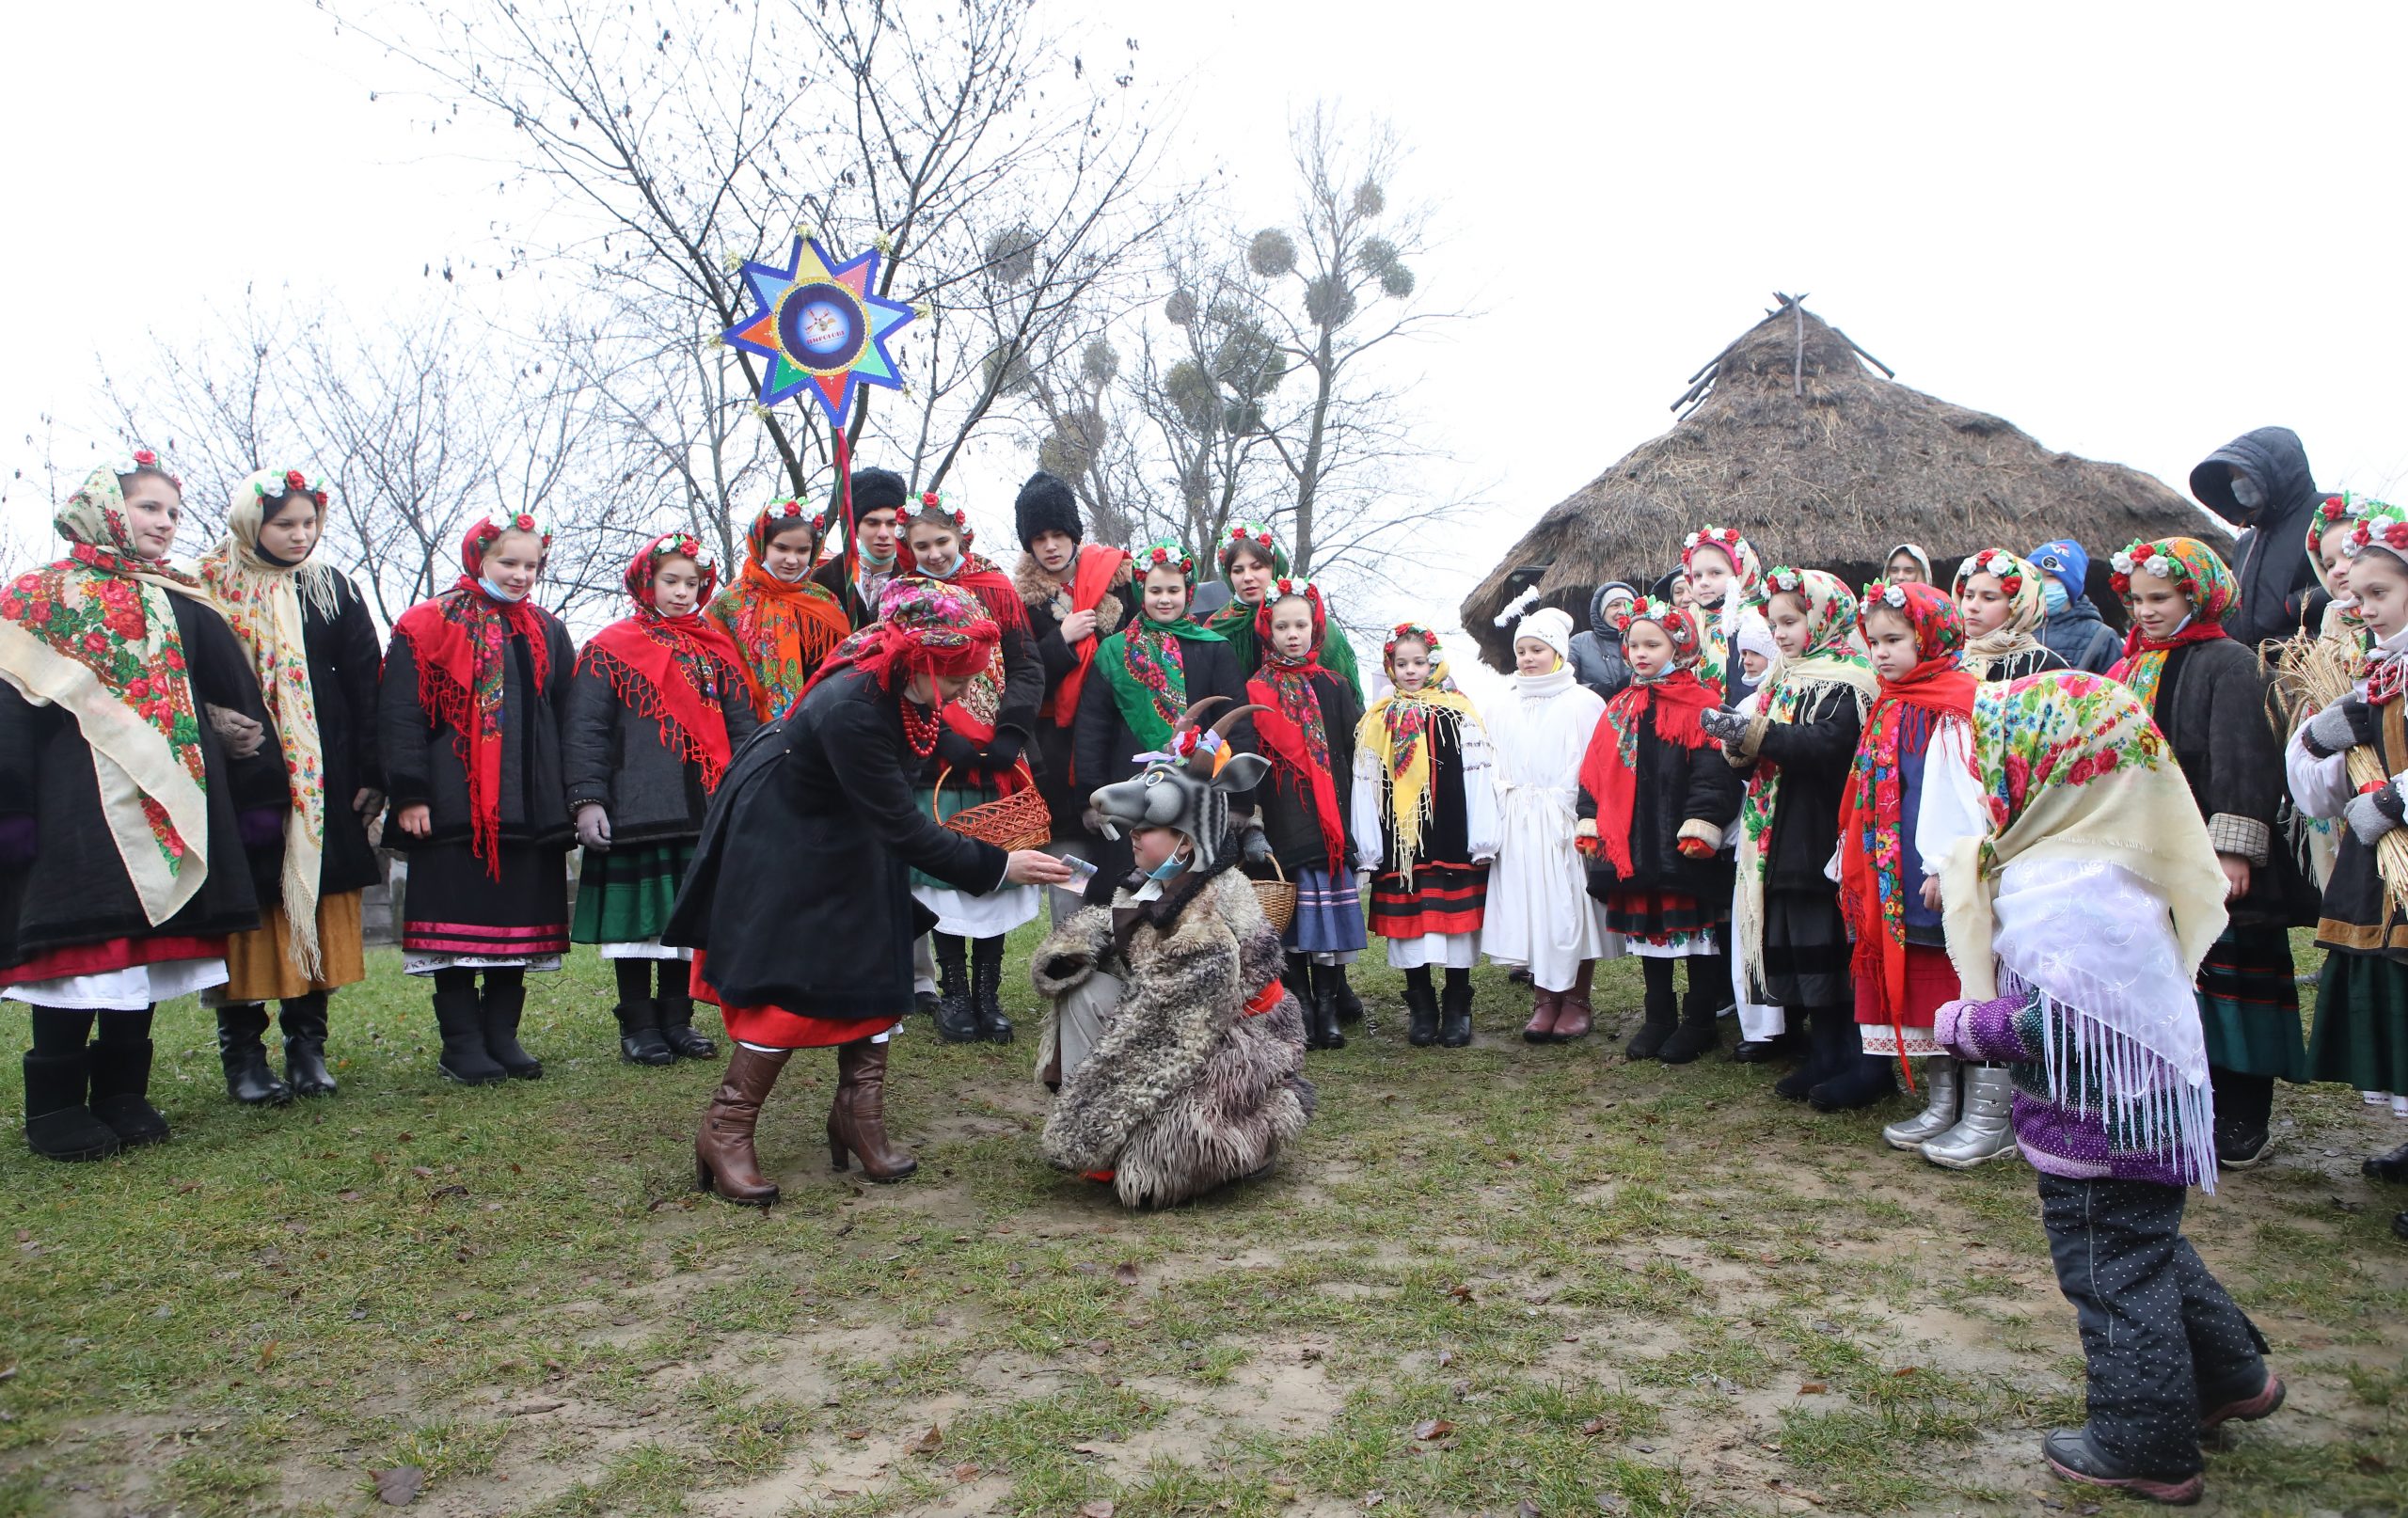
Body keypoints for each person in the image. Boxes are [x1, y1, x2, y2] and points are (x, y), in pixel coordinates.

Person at [1929, 671, 2280, 1504]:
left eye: (1996, 758)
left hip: (2099, 1121)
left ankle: (2142, 1441)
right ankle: (2233, 1374)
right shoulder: (2103, 856)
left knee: (2110, 1272)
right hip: (2145, 1108)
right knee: (2145, 1243)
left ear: (2047, 765)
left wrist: (1960, 1028)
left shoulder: (2067, 884)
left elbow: (2051, 1020)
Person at [670, 582, 1072, 1203]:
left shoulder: (900, 679)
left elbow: (926, 736)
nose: (969, 689)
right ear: (923, 664)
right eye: (960, 678)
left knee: (876, 956)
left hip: (848, 830)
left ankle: (858, 1118)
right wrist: (998, 865)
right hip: (788, 833)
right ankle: (725, 1128)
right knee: (791, 977)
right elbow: (905, 828)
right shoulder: (854, 708)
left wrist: (991, 757)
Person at [1, 454, 284, 1160]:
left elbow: (236, 702)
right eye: (149, 508)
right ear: (102, 507)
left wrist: (256, 796)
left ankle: (124, 1092)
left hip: (174, 802)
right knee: (81, 950)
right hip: (75, 806)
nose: (164, 525)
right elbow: (8, 707)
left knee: (149, 947)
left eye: (173, 514)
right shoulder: (35, 599)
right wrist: (10, 806)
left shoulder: (181, 598)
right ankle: (56, 1107)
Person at [1031, 703, 1308, 1208]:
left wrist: (1094, 1116)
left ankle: (1216, 1141)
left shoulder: (1213, 909)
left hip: (1235, 1040)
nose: (1133, 836)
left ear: (1186, 840)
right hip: (1182, 1016)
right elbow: (1125, 942)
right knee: (1083, 986)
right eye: (1134, 828)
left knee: (1163, 1162)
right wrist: (1081, 943)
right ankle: (1103, 1140)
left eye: (1147, 829)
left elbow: (1169, 1024)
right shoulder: (1149, 885)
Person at [2109, 539, 2313, 1167]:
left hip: (2206, 848)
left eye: (2160, 598)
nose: (2146, 611)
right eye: (2138, 600)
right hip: (2145, 848)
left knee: (2230, 983)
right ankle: (2176, 1102)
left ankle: (2243, 1114)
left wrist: (2236, 851)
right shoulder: (2129, 668)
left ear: (2195, 596)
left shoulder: (2228, 663)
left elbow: (2242, 761)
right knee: (2167, 985)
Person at [197, 467, 385, 1104]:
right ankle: (243, 1055)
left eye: (309, 523)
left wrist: (374, 775)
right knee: (249, 910)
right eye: (284, 524)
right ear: (253, 523)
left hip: (323, 779)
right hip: (242, 776)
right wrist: (218, 726)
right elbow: (189, 676)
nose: (300, 535)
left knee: (315, 901)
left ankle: (308, 1048)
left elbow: (367, 684)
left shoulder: (331, 588)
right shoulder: (206, 587)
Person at [380, 512, 578, 1085]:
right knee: (458, 928)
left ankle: (503, 1036)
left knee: (515, 930)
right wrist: (410, 795)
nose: (520, 575)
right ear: (478, 558)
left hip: (529, 808)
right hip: (452, 806)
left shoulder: (546, 630)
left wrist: (566, 795)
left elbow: (564, 713)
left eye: (531, 565)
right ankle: (461, 1043)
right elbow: (400, 715)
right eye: (508, 563)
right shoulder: (426, 624)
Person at [564, 531, 759, 1065]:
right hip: (635, 805)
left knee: (683, 919)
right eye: (670, 581)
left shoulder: (716, 647)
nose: (682, 592)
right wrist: (587, 799)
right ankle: (638, 1025)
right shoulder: (609, 647)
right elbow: (586, 729)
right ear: (645, 582)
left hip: (704, 807)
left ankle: (678, 1021)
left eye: (692, 584)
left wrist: (748, 786)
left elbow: (742, 725)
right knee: (637, 923)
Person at [2288, 498, 2408, 1237]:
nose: (2362, 607)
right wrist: (2325, 742)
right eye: (2355, 596)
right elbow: (2313, 787)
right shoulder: (2371, 669)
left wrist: (2396, 800)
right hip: (2382, 871)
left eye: (2379, 593)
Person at [1703, 569, 1875, 1072]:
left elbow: (1827, 746)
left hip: (1820, 828)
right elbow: (1765, 748)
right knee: (1797, 946)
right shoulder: (1785, 674)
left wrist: (1756, 733)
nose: (1779, 633)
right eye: (1774, 623)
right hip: (1777, 830)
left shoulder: (1851, 678)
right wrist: (1736, 742)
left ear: (1822, 618)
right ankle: (1819, 1052)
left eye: (1790, 621)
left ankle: (1850, 1058)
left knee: (1826, 944)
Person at [895, 494, 1045, 1043]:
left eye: (942, 542)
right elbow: (896, 671)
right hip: (938, 753)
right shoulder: (905, 599)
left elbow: (1027, 664)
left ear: (962, 537)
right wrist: (944, 737)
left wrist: (1011, 730)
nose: (934, 554)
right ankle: (954, 994)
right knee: (946, 875)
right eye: (921, 546)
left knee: (999, 864)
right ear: (907, 549)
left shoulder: (998, 589)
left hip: (998, 756)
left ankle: (988, 994)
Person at [1576, 599, 1743, 1063]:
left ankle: (1700, 1021)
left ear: (1680, 644)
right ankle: (1658, 1018)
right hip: (1634, 841)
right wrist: (1590, 816)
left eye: (1653, 643)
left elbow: (1715, 769)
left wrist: (1704, 821)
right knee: (1650, 932)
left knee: (1695, 935)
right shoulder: (1619, 707)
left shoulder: (1703, 703)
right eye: (1633, 644)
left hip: (1678, 840)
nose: (1640, 652)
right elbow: (1596, 768)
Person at [1832, 582, 1973, 1121]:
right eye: (1873, 640)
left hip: (1931, 871)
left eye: (1894, 639)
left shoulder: (1955, 704)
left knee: (1954, 976)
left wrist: (1944, 865)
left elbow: (1960, 794)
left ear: (1930, 637)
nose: (1881, 652)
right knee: (1919, 984)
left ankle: (1982, 1108)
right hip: (1891, 870)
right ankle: (1940, 1101)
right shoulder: (1892, 703)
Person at [1072, 541, 1257, 907]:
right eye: (1155, 590)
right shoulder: (1114, 650)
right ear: (1142, 592)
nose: (1165, 599)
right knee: (1126, 884)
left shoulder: (1214, 647)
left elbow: (1235, 721)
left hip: (1199, 791)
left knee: (1195, 889)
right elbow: (1093, 726)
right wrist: (1090, 796)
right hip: (1129, 787)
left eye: (1174, 590)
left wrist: (1241, 801)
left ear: (1188, 592)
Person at [1353, 625, 1498, 1048]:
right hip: (1401, 843)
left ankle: (1457, 1001)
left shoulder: (1459, 713)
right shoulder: (1377, 721)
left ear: (1434, 664)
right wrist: (1368, 848)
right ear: (1390, 668)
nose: (1411, 671)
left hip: (1449, 836)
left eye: (1420, 662)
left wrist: (1483, 840)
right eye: (1402, 664)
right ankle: (1421, 1004)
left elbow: (1478, 775)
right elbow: (1366, 785)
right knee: (1412, 927)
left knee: (1453, 928)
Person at [1482, 608, 1617, 1041]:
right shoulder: (1503, 704)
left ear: (1557, 652)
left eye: (1537, 649)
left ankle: (1577, 998)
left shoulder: (1584, 702)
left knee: (1567, 909)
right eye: (1521, 650)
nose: (1527, 657)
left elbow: (1597, 765)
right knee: (1533, 908)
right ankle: (1544, 998)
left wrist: (1585, 815)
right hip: (1519, 819)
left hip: (1564, 819)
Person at [1246, 580, 1365, 1052]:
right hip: (1283, 815)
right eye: (1282, 626)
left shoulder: (1333, 687)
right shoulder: (1256, 689)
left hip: (1329, 816)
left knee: (1328, 923)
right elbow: (1252, 757)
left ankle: (1328, 1008)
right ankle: (1301, 1007)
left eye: (1300, 625)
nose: (1292, 634)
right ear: (1268, 630)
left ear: (1314, 628)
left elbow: (1353, 751)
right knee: (1292, 919)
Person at [1010, 470, 1131, 926]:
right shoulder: (1022, 601)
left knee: (1122, 850)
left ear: (1075, 533)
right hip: (1059, 751)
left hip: (1118, 740)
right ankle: (1071, 952)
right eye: (1039, 538)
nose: (1051, 546)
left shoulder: (1119, 582)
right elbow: (1019, 673)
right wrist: (1059, 642)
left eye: (1059, 533)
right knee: (1070, 860)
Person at [705, 497, 852, 722]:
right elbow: (713, 671)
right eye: (781, 548)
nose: (791, 560)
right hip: (746, 731)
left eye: (802, 550)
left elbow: (841, 672)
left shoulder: (826, 602)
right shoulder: (728, 603)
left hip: (817, 729)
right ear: (762, 545)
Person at [2192, 427, 2325, 654]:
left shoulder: (2326, 514)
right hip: (2257, 666)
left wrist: (2296, 604)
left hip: (2317, 661)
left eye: (2243, 474)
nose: (2237, 484)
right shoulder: (2247, 541)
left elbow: (2364, 579)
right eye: (2233, 477)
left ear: (2275, 472)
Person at [1204, 521, 1363, 696]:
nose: (1247, 577)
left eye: (1257, 567)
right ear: (1228, 575)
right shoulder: (1217, 630)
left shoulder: (1314, 621)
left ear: (1274, 566)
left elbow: (1344, 691)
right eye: (1238, 570)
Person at [811, 466, 913, 627]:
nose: (883, 533)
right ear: (855, 528)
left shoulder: (916, 578)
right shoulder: (824, 580)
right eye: (872, 523)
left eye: (892, 523)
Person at [1955, 548, 2067, 683]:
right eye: (1968, 596)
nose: (1973, 607)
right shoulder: (1946, 660)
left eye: (1989, 598)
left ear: (2019, 606)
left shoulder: (2046, 668)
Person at [1679, 525, 1761, 704]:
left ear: (1740, 575)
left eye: (1715, 573)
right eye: (1697, 576)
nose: (1704, 582)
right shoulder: (1687, 626)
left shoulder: (1755, 625)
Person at [2029, 540, 2124, 675]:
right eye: (2033, 575)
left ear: (2072, 584)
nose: (2040, 583)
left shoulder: (2101, 637)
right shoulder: (2013, 630)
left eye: (2050, 576)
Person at [1567, 581, 1637, 702]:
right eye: (1615, 605)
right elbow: (1563, 684)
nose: (1623, 611)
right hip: (1593, 715)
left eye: (1628, 605)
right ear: (1601, 611)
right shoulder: (1579, 643)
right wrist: (1592, 689)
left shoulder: (1642, 641)